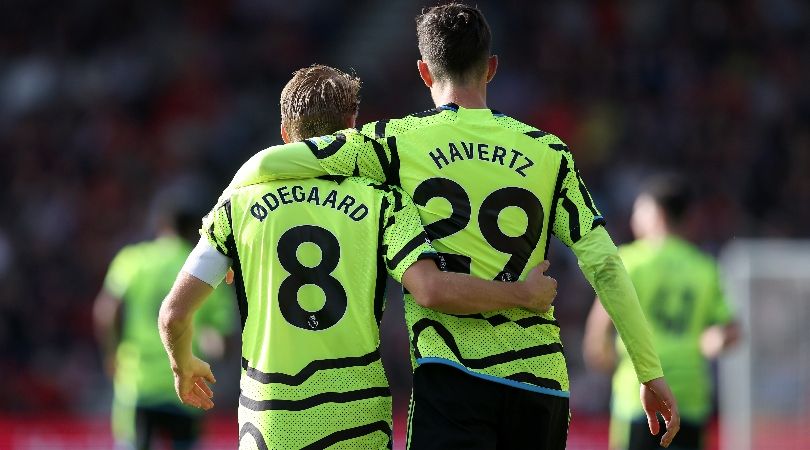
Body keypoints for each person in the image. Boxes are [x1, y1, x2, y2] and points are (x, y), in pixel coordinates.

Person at [215, 4, 681, 449]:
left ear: (423, 71)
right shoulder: (550, 153)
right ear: (492, 67)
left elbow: (277, 162)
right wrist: (648, 371)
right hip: (541, 383)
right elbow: (605, 264)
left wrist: (227, 221)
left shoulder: (395, 142)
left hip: (453, 377)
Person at [158, 64, 559, 449]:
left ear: (284, 134)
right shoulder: (385, 203)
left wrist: (183, 364)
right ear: (352, 129)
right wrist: (522, 294)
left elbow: (174, 315)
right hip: (358, 412)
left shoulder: (237, 207)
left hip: (271, 416)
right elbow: (430, 288)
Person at [583, 175, 739, 450]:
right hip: (690, 396)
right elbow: (730, 331)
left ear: (656, 213)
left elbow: (598, 334)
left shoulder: (629, 261)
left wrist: (606, 361)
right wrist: (709, 342)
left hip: (638, 395)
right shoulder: (705, 268)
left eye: (639, 209)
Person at [93, 197, 234, 450]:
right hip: (187, 384)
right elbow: (219, 338)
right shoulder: (204, 269)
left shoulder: (133, 260)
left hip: (138, 381)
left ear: (160, 224)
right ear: (194, 229)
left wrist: (111, 353)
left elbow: (107, 311)